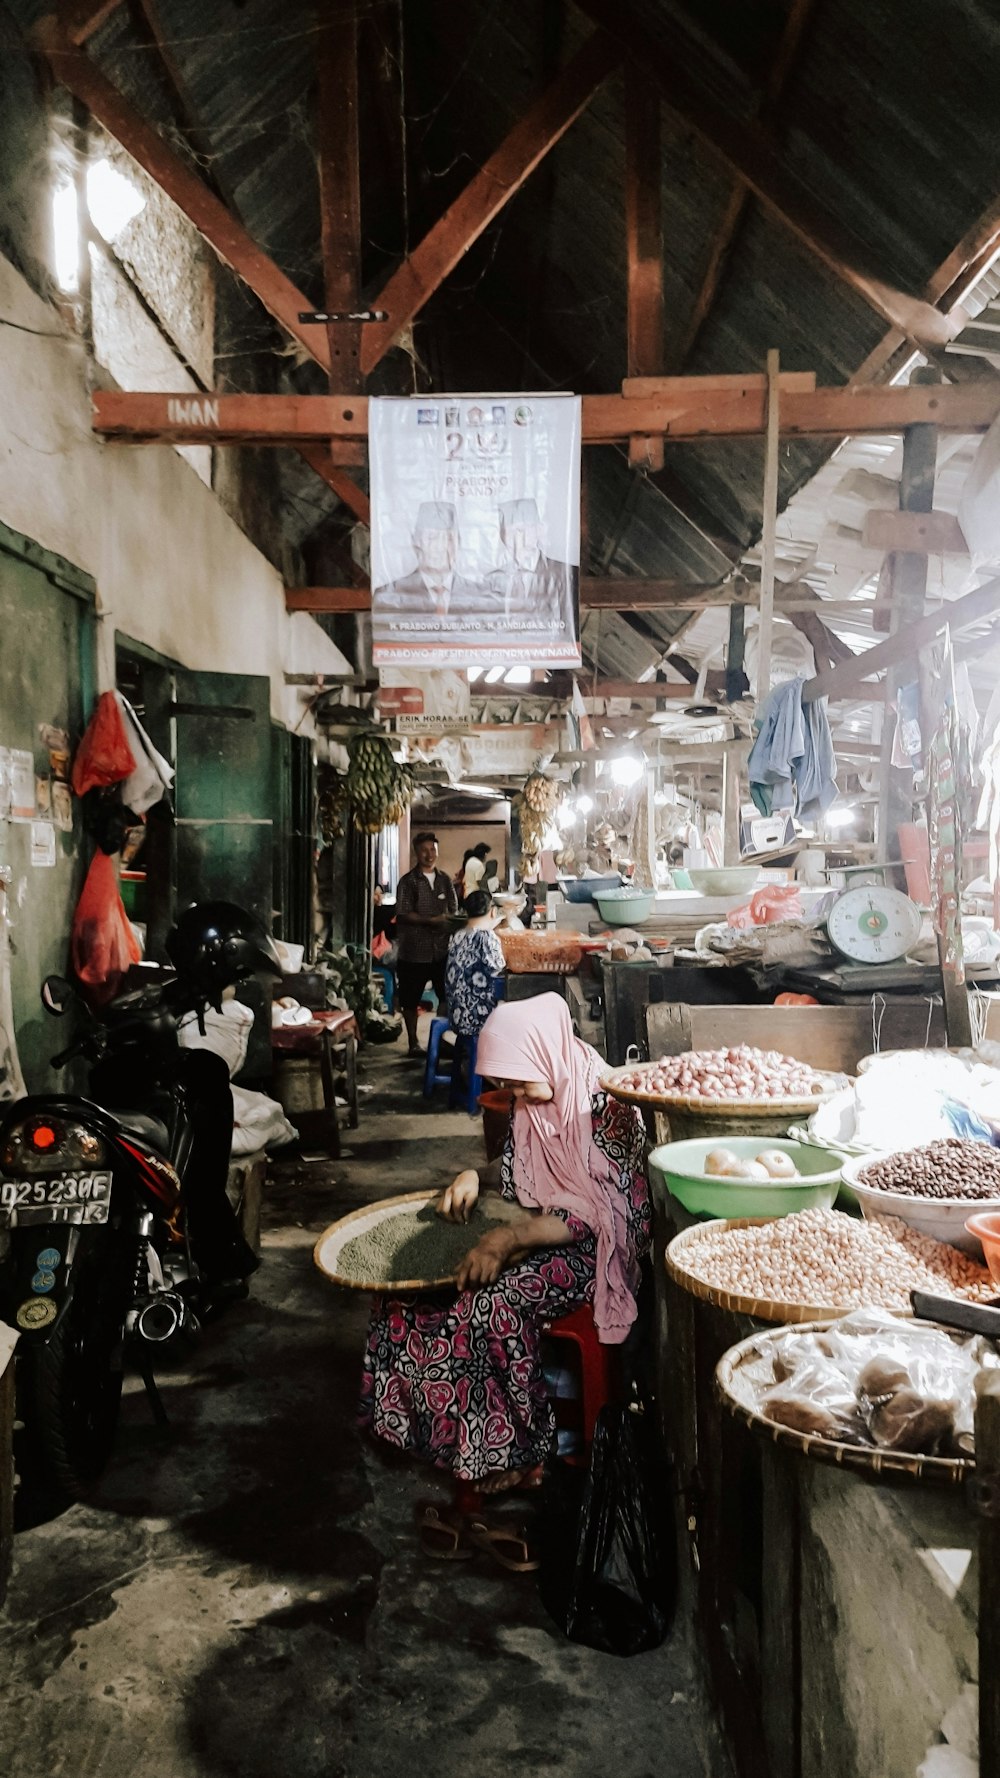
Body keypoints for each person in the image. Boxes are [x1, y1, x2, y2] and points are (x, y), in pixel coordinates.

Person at [358, 994, 650, 1563]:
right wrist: (475, 1172)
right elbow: (516, 1174)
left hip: (595, 1249)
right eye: (506, 1089)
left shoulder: (606, 1108)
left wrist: (507, 1239)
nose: (514, 1101)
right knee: (411, 1298)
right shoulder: (534, 1102)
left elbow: (609, 1214)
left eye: (519, 1086)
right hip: (539, 1229)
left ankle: (523, 1454)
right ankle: (454, 1447)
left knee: (492, 1304)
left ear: (546, 1056)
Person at [372, 502, 494, 630]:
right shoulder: (389, 597)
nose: (440, 547)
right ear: (415, 542)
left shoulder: (479, 597)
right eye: (432, 538)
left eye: (449, 539)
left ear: (460, 543)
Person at [394, 832, 458, 1056]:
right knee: (410, 999)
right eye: (424, 850)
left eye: (433, 849)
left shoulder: (445, 880)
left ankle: (439, 1041)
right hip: (413, 951)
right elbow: (402, 913)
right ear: (416, 852)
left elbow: (453, 908)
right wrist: (431, 921)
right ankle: (413, 1042)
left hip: (441, 951)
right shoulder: (408, 882)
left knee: (446, 996)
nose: (429, 854)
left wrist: (451, 921)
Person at [494, 497, 578, 638]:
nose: (519, 539)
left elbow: (569, 631)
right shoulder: (493, 579)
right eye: (511, 531)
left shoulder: (564, 574)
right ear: (502, 535)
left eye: (524, 529)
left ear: (539, 530)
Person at [444, 890, 505, 1040]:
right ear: (493, 912)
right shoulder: (486, 938)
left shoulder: (459, 935)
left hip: (455, 1016)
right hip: (476, 1019)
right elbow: (500, 969)